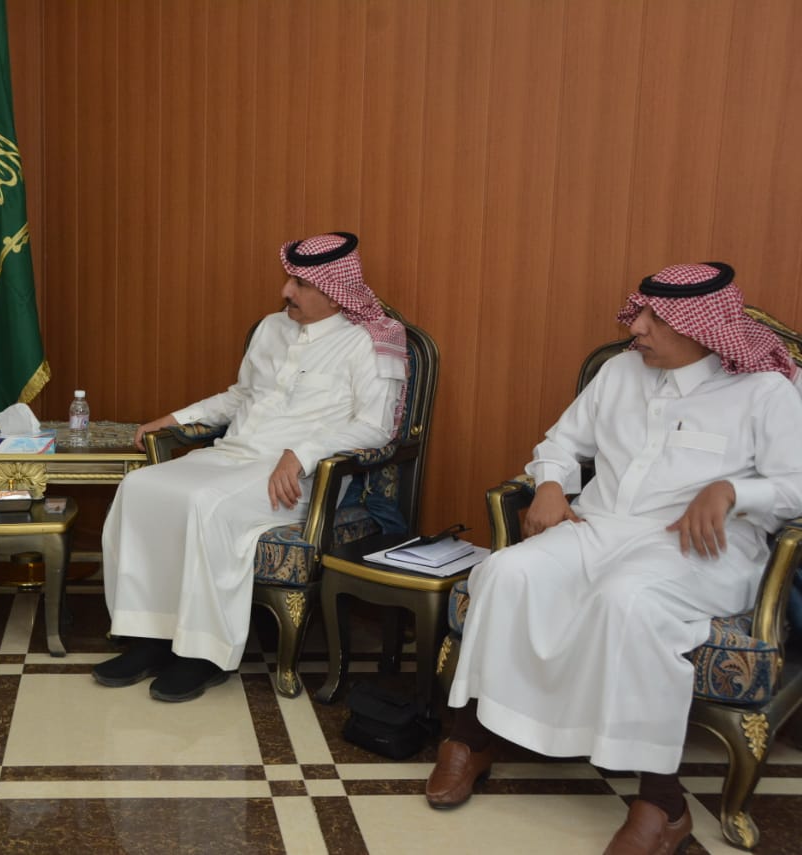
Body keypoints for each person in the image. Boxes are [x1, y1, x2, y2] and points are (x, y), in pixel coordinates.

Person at [426, 262, 802, 854]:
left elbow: (796, 486)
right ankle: (472, 738)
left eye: (655, 318)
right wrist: (552, 483)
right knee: (503, 572)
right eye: (640, 312)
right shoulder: (619, 372)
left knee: (628, 599)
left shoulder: (765, 390)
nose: (637, 328)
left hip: (698, 548)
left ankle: (663, 804)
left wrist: (733, 491)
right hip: (599, 528)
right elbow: (561, 443)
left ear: (703, 328)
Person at [94, 232, 407, 702]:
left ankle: (203, 656)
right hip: (232, 454)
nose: (286, 292)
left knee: (206, 504)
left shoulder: (369, 341)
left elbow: (376, 427)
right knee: (139, 487)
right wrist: (175, 418)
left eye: (300, 284)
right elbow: (240, 396)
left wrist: (301, 452)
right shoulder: (270, 329)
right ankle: (149, 638)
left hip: (298, 478)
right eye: (289, 279)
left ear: (334, 291)